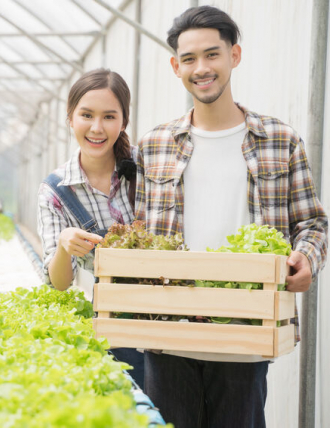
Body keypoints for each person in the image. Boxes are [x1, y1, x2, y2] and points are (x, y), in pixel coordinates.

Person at [135, 5, 328, 428]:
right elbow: (139, 235)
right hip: (168, 333)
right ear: (175, 66)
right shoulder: (154, 146)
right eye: (189, 59)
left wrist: (306, 260)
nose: (201, 68)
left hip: (245, 333)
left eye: (212, 54)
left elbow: (313, 224)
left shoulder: (280, 140)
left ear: (234, 56)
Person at [37, 68, 144, 387]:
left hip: (171, 316)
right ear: (70, 118)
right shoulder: (56, 190)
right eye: (86, 115)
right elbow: (58, 283)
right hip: (116, 328)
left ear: (123, 122)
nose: (97, 128)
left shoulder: (146, 168)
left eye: (109, 117)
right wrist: (64, 243)